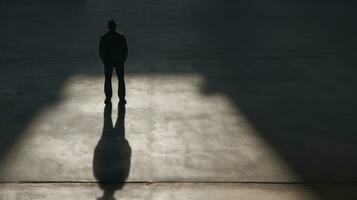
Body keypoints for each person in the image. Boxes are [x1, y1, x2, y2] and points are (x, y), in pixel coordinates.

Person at [99, 20, 128, 105]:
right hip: (118, 61)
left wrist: (105, 61)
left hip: (109, 62)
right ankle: (121, 98)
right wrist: (122, 60)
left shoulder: (104, 38)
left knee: (108, 80)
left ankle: (108, 98)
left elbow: (101, 52)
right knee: (120, 80)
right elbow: (125, 51)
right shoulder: (121, 37)